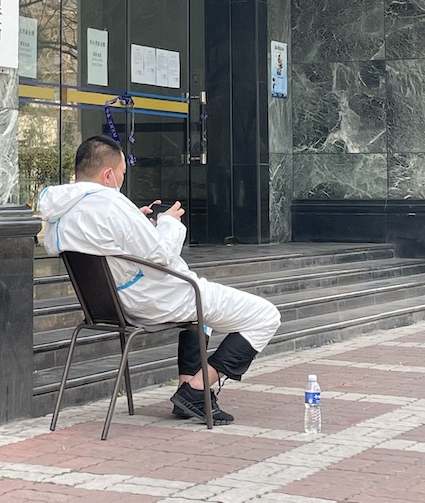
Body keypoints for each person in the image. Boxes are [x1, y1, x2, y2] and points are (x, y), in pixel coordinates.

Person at [39, 134, 281, 424]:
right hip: (150, 299)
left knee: (199, 317)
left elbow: (106, 243)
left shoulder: (60, 213)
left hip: (109, 305)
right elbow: (162, 257)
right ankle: (196, 390)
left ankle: (186, 390)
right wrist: (169, 223)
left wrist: (137, 222)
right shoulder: (111, 205)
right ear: (107, 174)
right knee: (266, 316)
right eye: (121, 174)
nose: (121, 181)